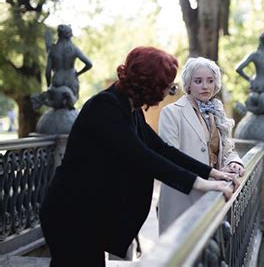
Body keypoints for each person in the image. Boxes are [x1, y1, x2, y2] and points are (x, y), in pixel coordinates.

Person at [39, 46, 238, 267]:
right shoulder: (105, 107)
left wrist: (213, 173)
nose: (169, 92)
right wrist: (202, 185)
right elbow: (143, 157)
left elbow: (162, 149)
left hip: (89, 217)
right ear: (150, 85)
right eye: (167, 86)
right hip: (70, 214)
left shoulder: (130, 109)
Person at [158, 56, 245, 233]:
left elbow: (226, 149)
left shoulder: (217, 112)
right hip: (182, 196)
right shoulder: (171, 113)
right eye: (198, 81)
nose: (205, 86)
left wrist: (233, 162)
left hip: (213, 196)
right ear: (188, 84)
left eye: (210, 81)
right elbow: (170, 158)